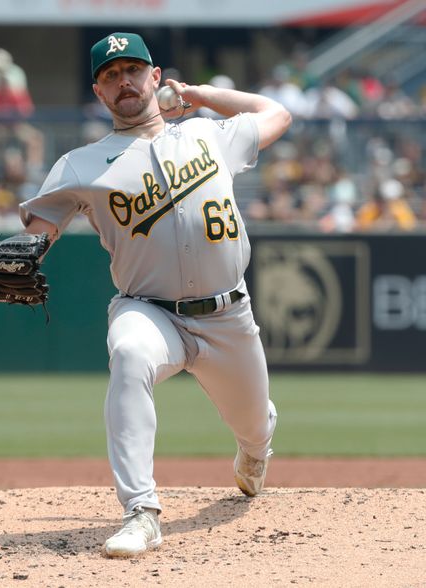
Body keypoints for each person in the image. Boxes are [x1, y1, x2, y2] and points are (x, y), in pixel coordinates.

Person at [17, 32, 291, 557]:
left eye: (133, 70)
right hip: (148, 311)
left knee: (254, 428)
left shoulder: (208, 136)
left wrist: (202, 94)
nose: (124, 81)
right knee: (129, 353)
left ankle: (254, 448)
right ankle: (141, 512)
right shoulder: (80, 165)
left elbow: (276, 111)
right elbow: (35, 234)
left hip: (227, 315)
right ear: (98, 93)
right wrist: (24, 250)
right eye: (110, 75)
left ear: (155, 77)